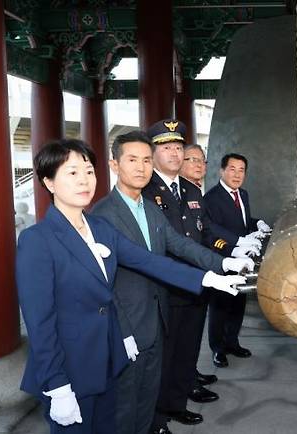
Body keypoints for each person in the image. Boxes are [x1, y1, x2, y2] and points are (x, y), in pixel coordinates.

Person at [16, 139, 244, 434]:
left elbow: (149, 261)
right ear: (49, 182)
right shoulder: (38, 240)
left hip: (109, 361)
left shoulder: (99, 229)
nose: (84, 180)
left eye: (88, 171)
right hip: (70, 369)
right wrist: (56, 385)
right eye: (72, 173)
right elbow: (40, 324)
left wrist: (210, 278)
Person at [91, 131, 254, 434]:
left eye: (145, 161)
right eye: (131, 160)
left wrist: (226, 262)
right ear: (114, 165)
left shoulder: (150, 210)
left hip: (156, 312)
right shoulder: (103, 215)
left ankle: (157, 424)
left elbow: (181, 245)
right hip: (126, 321)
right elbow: (146, 264)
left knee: (150, 392)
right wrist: (209, 277)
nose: (140, 168)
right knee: (125, 402)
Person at [140, 120, 251, 428]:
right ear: (153, 152)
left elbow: (201, 236)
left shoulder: (189, 189)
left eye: (178, 147)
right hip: (164, 287)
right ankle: (157, 417)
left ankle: (177, 403)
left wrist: (223, 260)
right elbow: (164, 245)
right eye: (167, 148)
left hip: (197, 284)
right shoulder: (146, 191)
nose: (175, 154)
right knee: (164, 355)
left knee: (188, 349)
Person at [204, 153, 272, 368]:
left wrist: (257, 223)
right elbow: (213, 230)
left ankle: (232, 342)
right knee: (220, 306)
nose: (236, 174)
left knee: (238, 303)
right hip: (223, 257)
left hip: (244, 260)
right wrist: (239, 242)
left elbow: (242, 221)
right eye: (232, 169)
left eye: (241, 170)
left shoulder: (242, 194)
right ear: (222, 171)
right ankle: (217, 349)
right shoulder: (211, 198)